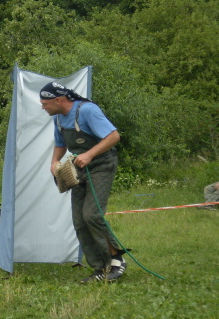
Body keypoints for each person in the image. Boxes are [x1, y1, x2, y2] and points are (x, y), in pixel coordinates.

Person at [40, 81, 125, 283]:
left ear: (58, 100)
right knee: (79, 221)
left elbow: (114, 136)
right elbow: (60, 143)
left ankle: (116, 261)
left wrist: (89, 154)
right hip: (79, 168)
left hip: (102, 165)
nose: (42, 107)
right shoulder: (58, 118)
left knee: (92, 215)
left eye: (44, 103)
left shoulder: (87, 111)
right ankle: (99, 268)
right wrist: (54, 162)